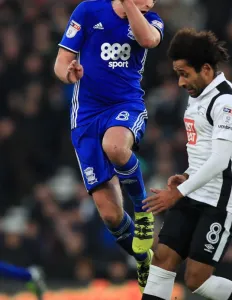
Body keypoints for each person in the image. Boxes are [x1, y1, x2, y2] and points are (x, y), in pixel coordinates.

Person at [54, 0, 164, 292]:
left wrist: (130, 6)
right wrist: (69, 73)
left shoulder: (151, 20)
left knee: (115, 146)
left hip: (124, 104)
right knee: (110, 215)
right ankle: (142, 258)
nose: (151, 1)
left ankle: (143, 212)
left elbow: (149, 40)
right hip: (87, 115)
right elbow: (61, 61)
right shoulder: (88, 10)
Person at [142, 29, 232, 300]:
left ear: (206, 69)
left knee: (196, 279)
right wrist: (186, 176)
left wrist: (176, 194)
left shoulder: (227, 103)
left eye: (184, 73)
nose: (181, 82)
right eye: (178, 74)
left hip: (222, 203)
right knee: (162, 259)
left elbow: (219, 161)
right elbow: (204, 153)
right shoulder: (197, 97)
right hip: (194, 191)